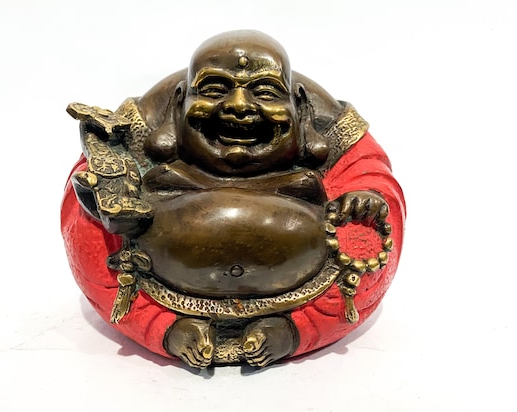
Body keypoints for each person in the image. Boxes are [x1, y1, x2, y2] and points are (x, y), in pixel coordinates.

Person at [61, 30, 406, 368]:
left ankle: (290, 329)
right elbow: (86, 224)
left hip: (309, 298)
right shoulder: (138, 146)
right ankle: (173, 329)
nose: (239, 106)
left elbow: (375, 185)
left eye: (266, 92)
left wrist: (365, 201)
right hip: (156, 296)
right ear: (179, 104)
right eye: (214, 89)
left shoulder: (334, 139)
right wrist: (160, 326)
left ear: (300, 108)